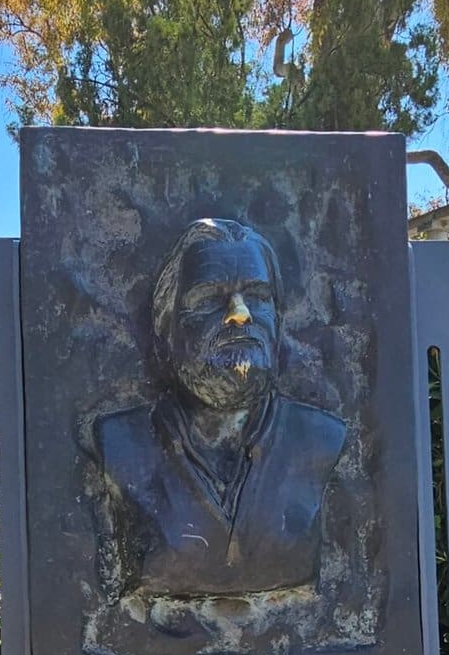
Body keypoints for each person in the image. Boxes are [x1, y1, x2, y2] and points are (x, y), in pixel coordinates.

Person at [94, 216, 346, 600]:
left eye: (258, 296)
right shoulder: (117, 446)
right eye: (210, 299)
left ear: (277, 319)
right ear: (166, 324)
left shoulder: (324, 442)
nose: (240, 314)